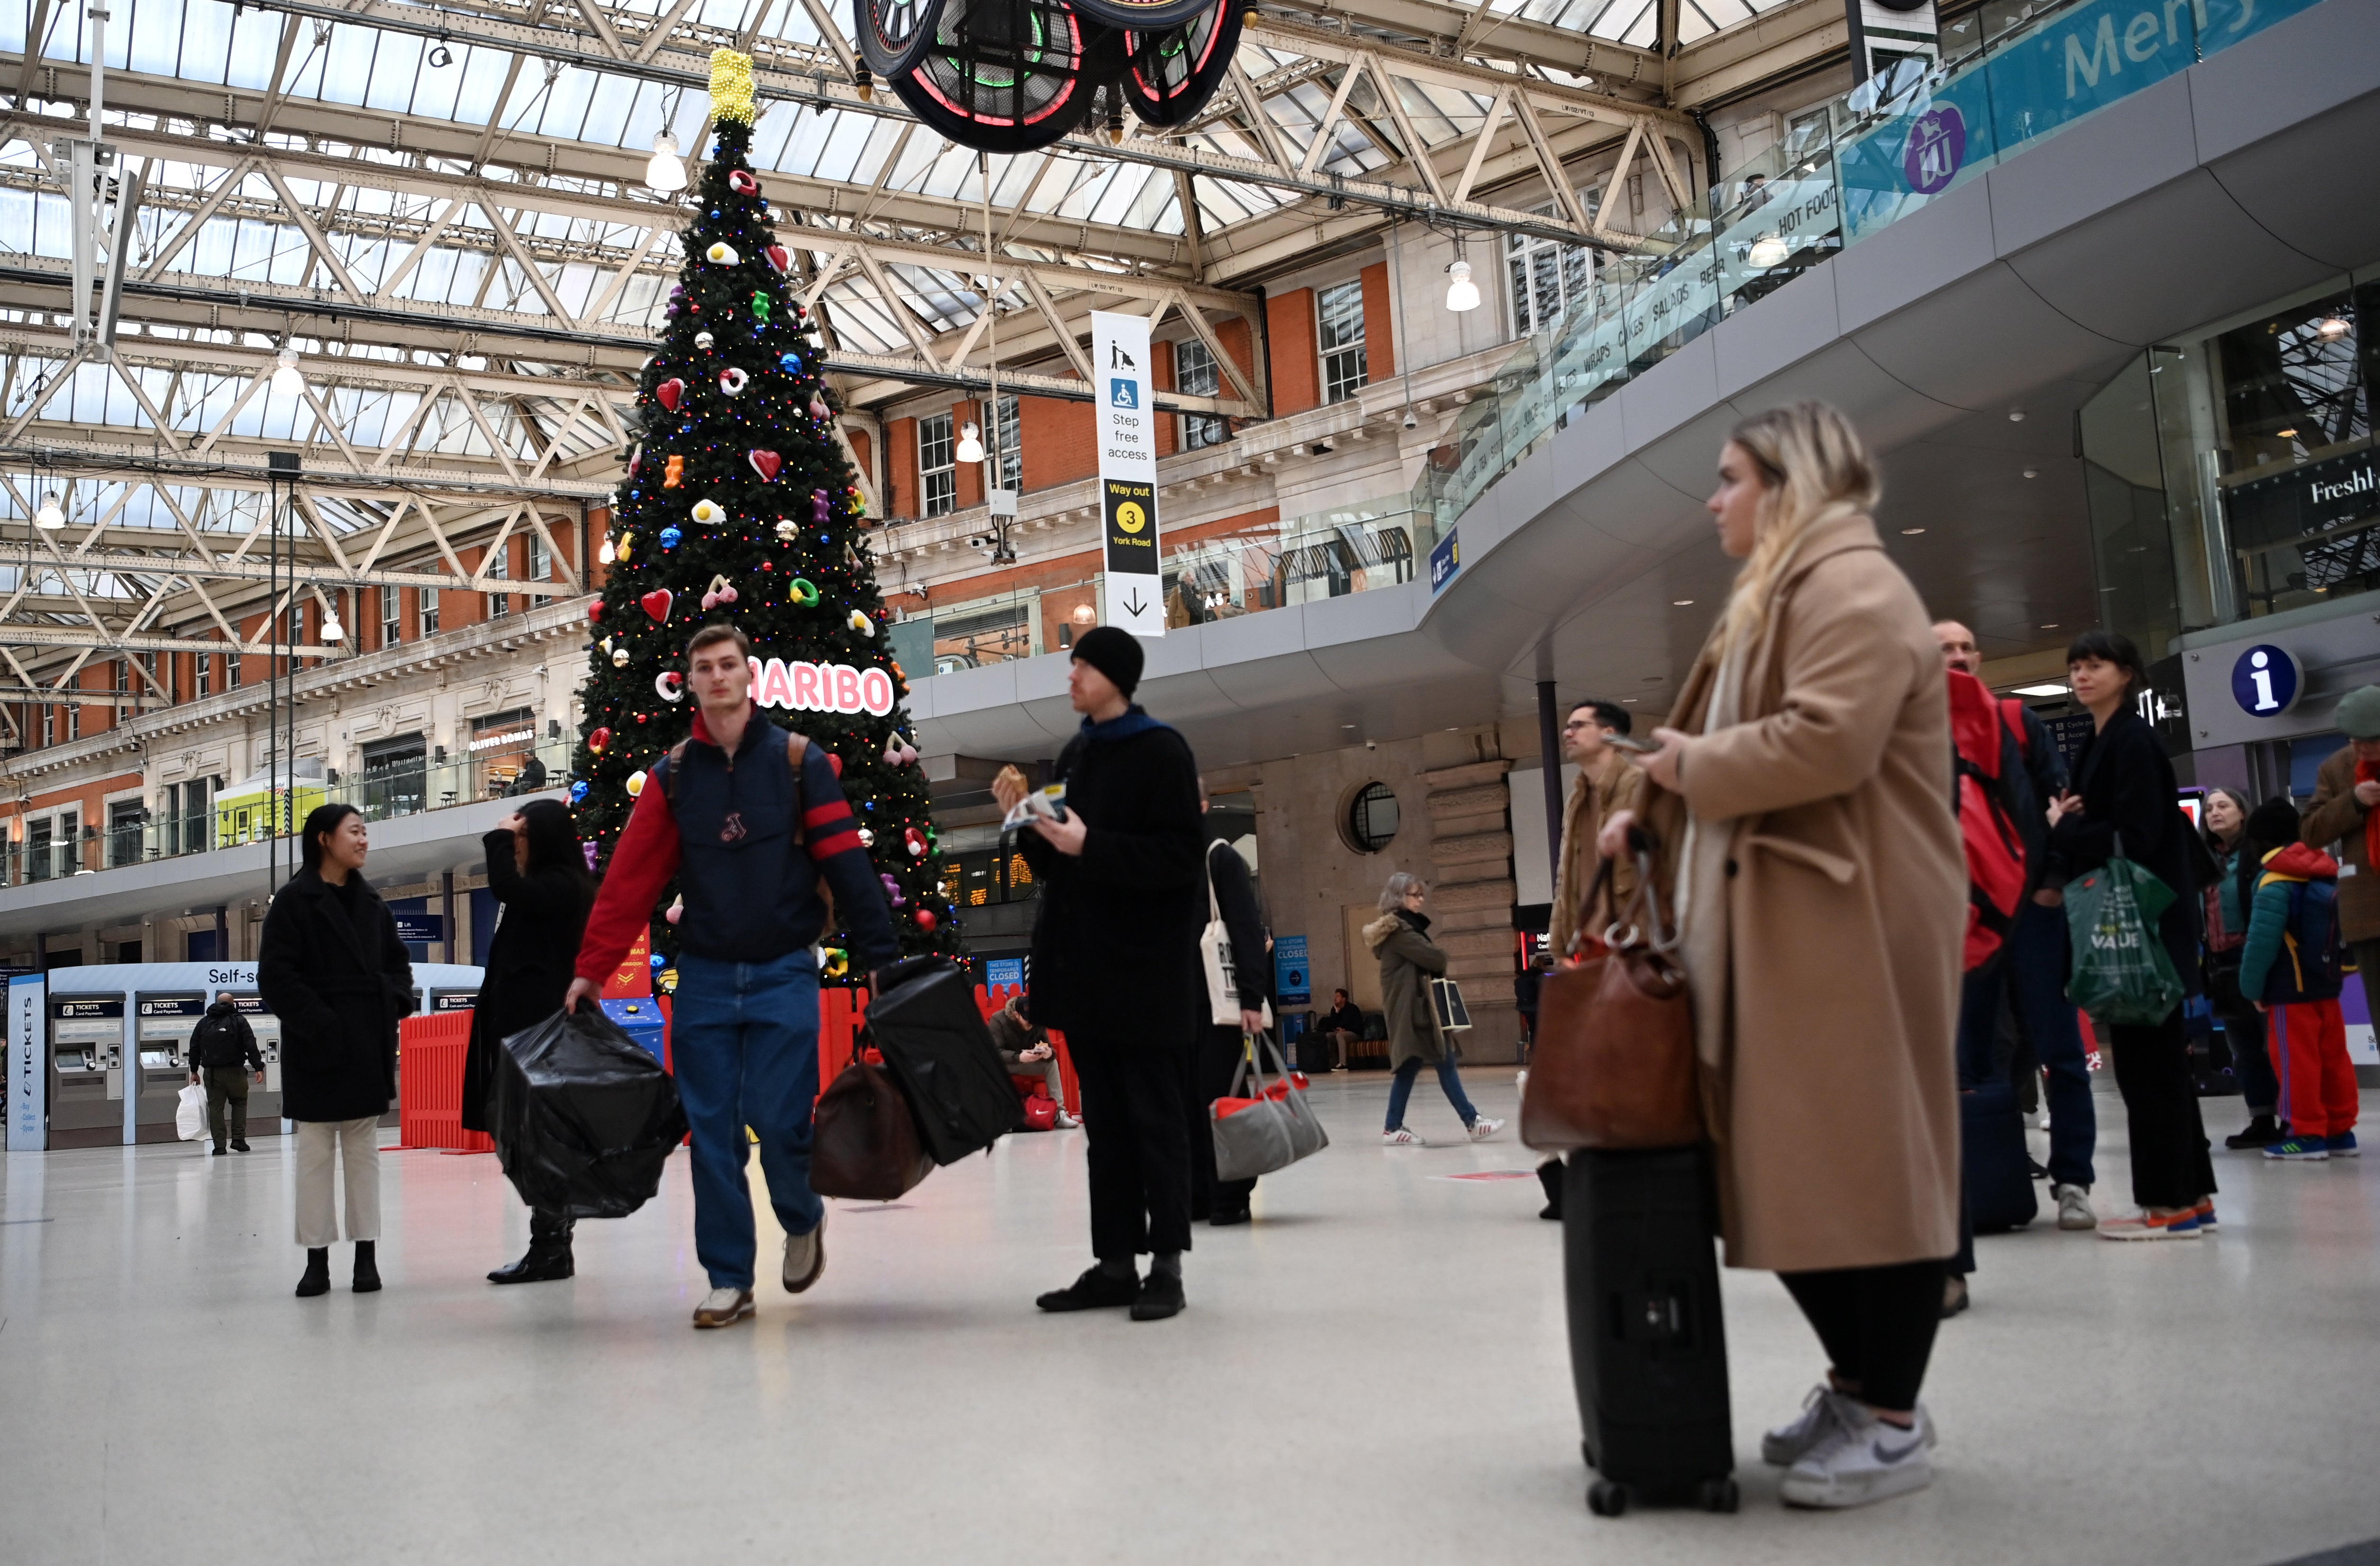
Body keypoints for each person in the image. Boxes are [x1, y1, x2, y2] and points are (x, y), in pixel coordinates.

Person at [1603, 403, 1963, 1510]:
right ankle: (1859, 1387)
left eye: (1728, 479)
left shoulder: (1847, 586)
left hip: (1845, 925)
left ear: (1788, 483)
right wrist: (1655, 809)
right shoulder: (1780, 593)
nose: (1712, 501)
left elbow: (1826, 742)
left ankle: (1893, 1419)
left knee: (1863, 1165)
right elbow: (1721, 753)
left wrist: (1681, 773)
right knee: (1784, 1172)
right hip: (1786, 927)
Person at [565, 623, 898, 1330]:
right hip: (707, 976)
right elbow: (629, 880)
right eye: (704, 668)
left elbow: (846, 861)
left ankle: (800, 1217)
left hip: (783, 970)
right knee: (711, 1133)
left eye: (728, 665)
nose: (717, 677)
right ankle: (727, 1279)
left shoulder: (800, 763)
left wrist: (880, 961)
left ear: (750, 677)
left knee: (778, 1124)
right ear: (691, 683)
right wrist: (592, 969)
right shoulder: (673, 777)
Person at [993, 626, 1207, 1322]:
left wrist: (1095, 843)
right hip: (1084, 971)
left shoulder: (1161, 750)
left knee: (1156, 1122)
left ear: (1117, 674)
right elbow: (1060, 864)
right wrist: (1023, 823)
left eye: (1081, 664)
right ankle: (1115, 1263)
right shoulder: (1077, 754)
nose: (1071, 675)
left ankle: (1167, 1267)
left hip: (1145, 975)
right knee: (1107, 1128)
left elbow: (1177, 859)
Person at [2048, 629, 2216, 1241]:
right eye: (2075, 667)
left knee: (2147, 1070)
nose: (2082, 676)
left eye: (2095, 665)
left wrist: (2061, 830)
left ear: (2126, 672)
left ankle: (2166, 1205)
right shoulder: (2107, 739)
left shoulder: (2130, 740)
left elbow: (2136, 836)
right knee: (2159, 1066)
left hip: (2138, 925)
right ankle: (2191, 1197)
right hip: (2146, 923)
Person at [259, 803, 418, 1299]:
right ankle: (316, 1260)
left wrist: (392, 1003)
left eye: (365, 831)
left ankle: (366, 1256)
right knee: (314, 1156)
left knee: (364, 1154)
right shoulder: (293, 902)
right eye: (355, 831)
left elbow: (398, 964)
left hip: (366, 1040)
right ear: (325, 838)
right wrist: (321, 1023)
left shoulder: (373, 904)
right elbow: (275, 978)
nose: (365, 840)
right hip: (318, 1044)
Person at [467, 799, 599, 1284]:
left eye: (521, 840)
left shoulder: (559, 886)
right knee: (529, 1139)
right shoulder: (555, 887)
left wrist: (499, 835)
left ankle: (550, 1247)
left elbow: (504, 886)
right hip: (529, 1033)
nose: (514, 849)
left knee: (539, 1140)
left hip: (539, 1035)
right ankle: (550, 1243)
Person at [1538, 697, 1647, 1220]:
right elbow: (1568, 879)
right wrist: (1562, 940)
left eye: (1578, 725)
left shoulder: (1642, 786)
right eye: (1566, 725)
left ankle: (1627, 1172)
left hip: (1635, 947)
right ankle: (1580, 1179)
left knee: (1631, 1065)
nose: (1568, 732)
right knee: (1585, 1067)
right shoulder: (1580, 795)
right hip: (1589, 949)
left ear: (1611, 733)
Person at [2236, 799, 2358, 1160]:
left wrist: (2252, 988)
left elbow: (2261, 943)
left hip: (2290, 990)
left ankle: (2305, 1134)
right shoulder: (2325, 871)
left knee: (2295, 1061)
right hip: (2327, 983)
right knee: (2334, 1058)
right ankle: (2340, 1131)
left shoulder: (2274, 881)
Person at [1367, 874, 1503, 1146]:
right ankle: (1464, 1122)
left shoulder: (1406, 928)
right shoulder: (1399, 931)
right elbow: (1435, 958)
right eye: (1414, 895)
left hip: (1417, 1009)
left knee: (1434, 1061)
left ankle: (1466, 1121)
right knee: (1429, 1061)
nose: (1420, 900)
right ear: (1398, 897)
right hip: (1412, 1011)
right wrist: (1436, 958)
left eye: (1421, 895)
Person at [1189, 812, 1272, 1227]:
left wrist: (1253, 999)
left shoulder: (1219, 859)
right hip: (1177, 1009)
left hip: (1221, 1010)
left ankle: (1230, 1195)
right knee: (1188, 1102)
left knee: (1223, 1100)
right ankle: (1197, 1194)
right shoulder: (1162, 860)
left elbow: (1246, 929)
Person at [2201, 787, 2287, 1148]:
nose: (2214, 813)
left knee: (2275, 1046)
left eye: (2223, 806)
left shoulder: (2259, 856)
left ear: (2243, 812)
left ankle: (2293, 1118)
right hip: (2221, 967)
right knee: (2245, 1050)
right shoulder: (2204, 861)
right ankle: (2261, 1118)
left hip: (2259, 960)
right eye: (2209, 809)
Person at [2299, 684, 2380, 1031]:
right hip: (2368, 911)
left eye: (2372, 742)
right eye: (2354, 740)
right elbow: (2311, 832)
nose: (2362, 749)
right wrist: (2354, 801)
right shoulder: (2337, 768)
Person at [186, 995, 263, 1157]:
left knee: (215, 1109)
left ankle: (219, 1146)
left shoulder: (204, 1023)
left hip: (213, 1073)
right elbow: (251, 1044)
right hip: (236, 1071)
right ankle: (239, 1140)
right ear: (232, 1004)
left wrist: (194, 1071)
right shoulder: (239, 1020)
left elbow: (194, 1047)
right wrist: (258, 1067)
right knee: (240, 1103)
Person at [986, 995, 1079, 1129]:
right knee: (992, 1068)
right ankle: (1002, 1116)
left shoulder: (1038, 1021)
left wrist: (1049, 1053)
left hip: (1027, 1061)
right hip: (1004, 1064)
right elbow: (995, 1052)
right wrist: (1018, 1057)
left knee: (1051, 1064)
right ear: (1016, 1015)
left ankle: (1059, 1113)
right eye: (1027, 1018)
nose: (1031, 1022)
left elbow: (1050, 1048)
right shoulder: (999, 1020)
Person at [1317, 988, 1365, 1071]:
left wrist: (1345, 1029)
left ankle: (1343, 1063)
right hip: (1341, 1033)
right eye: (1335, 996)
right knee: (1328, 1036)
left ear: (1344, 999)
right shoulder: (1335, 1009)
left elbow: (1358, 1025)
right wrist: (1337, 1013)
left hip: (1354, 1033)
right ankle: (1333, 1063)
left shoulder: (1352, 1009)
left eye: (1338, 996)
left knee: (1340, 1035)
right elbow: (1332, 1025)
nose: (1335, 998)